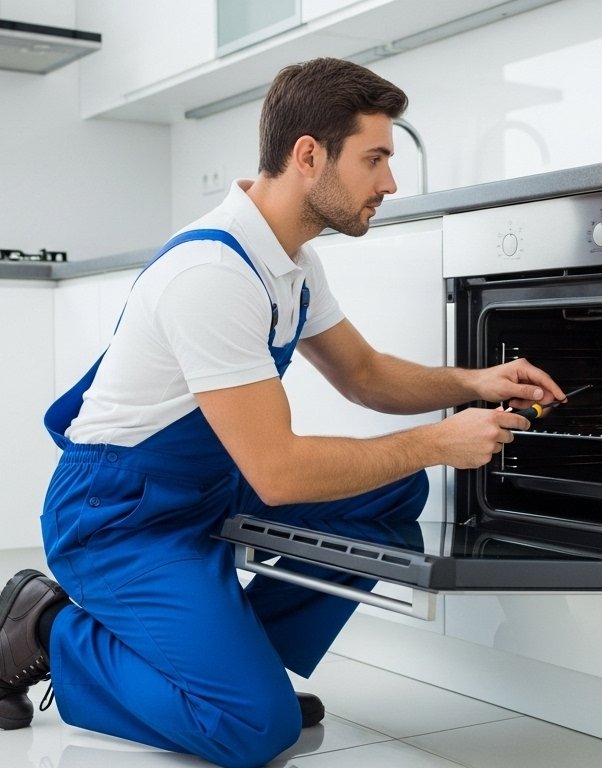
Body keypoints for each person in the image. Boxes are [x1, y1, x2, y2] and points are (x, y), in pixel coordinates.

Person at [0, 57, 565, 767]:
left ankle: (235, 674)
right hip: (119, 517)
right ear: (308, 156)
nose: (390, 182)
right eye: (375, 159)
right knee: (253, 731)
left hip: (205, 487)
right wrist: (437, 440)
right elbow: (277, 473)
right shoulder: (213, 274)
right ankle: (50, 627)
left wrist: (475, 382)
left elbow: (363, 375)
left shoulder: (290, 261)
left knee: (393, 493)